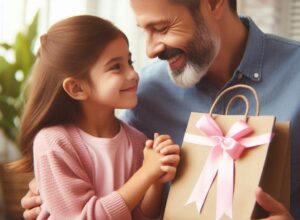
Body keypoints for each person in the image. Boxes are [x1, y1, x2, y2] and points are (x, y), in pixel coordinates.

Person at [22, 0, 299, 219]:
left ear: (214, 2)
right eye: (145, 30)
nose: (151, 50)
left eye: (163, 27)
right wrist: (50, 191)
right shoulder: (147, 91)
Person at [14, 15, 180, 219]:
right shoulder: (54, 143)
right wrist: (145, 174)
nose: (133, 74)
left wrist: (155, 179)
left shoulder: (137, 141)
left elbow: (141, 215)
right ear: (76, 88)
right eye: (116, 67)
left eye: (130, 62)